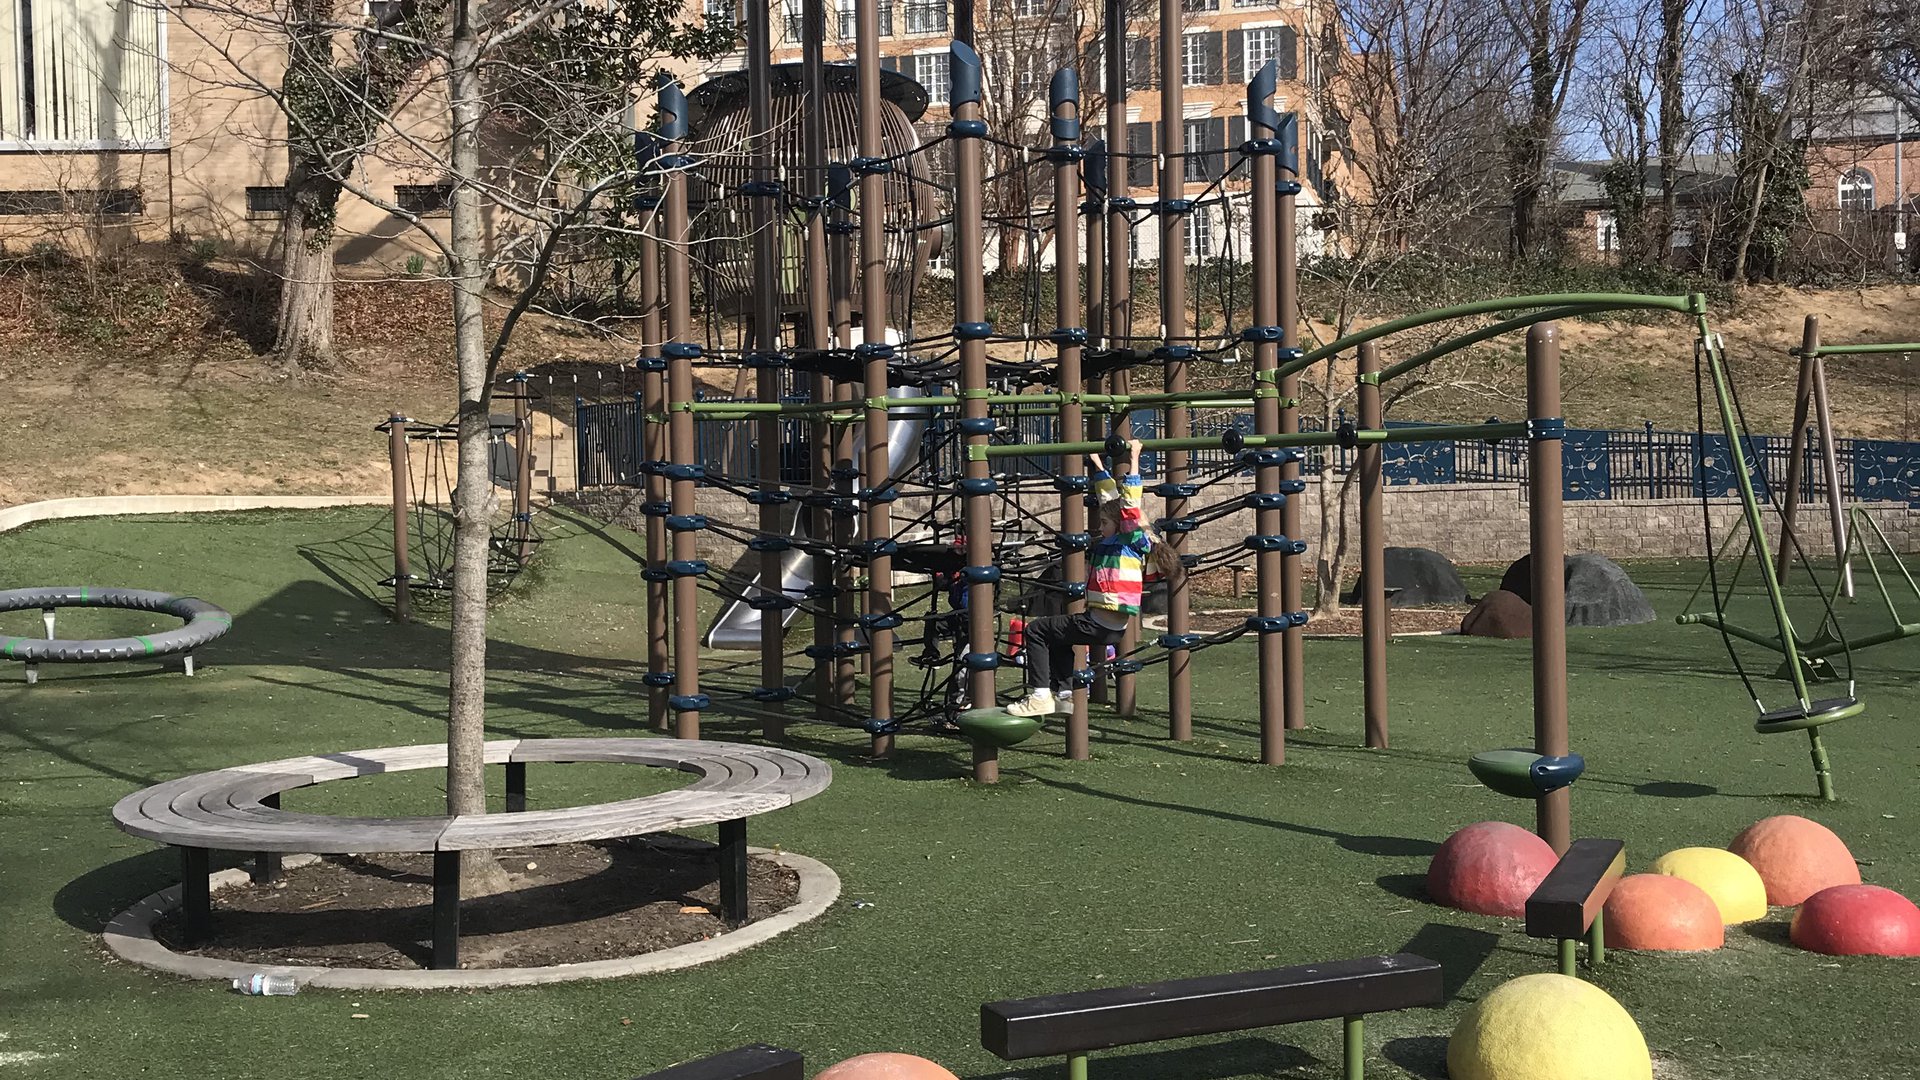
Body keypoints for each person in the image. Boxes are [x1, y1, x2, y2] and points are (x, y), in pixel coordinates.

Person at [1007, 438, 1182, 717]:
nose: (1099, 527)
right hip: (1112, 628)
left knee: (1035, 631)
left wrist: (1135, 457)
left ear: (1122, 525)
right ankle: (1064, 695)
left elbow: (1129, 504)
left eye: (1103, 524)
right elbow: (1111, 500)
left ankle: (1039, 696)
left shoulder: (1131, 540)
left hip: (1098, 623)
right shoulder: (1125, 541)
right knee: (1058, 636)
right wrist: (1098, 463)